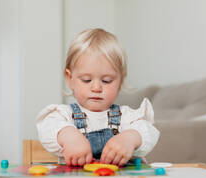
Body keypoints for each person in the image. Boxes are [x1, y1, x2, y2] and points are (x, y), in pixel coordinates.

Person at [36, 28, 159, 166]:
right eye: (87, 80)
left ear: (121, 82)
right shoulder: (64, 115)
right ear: (70, 79)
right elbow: (46, 128)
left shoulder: (126, 116)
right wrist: (69, 137)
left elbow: (150, 133)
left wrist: (130, 138)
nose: (96, 88)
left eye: (106, 81)